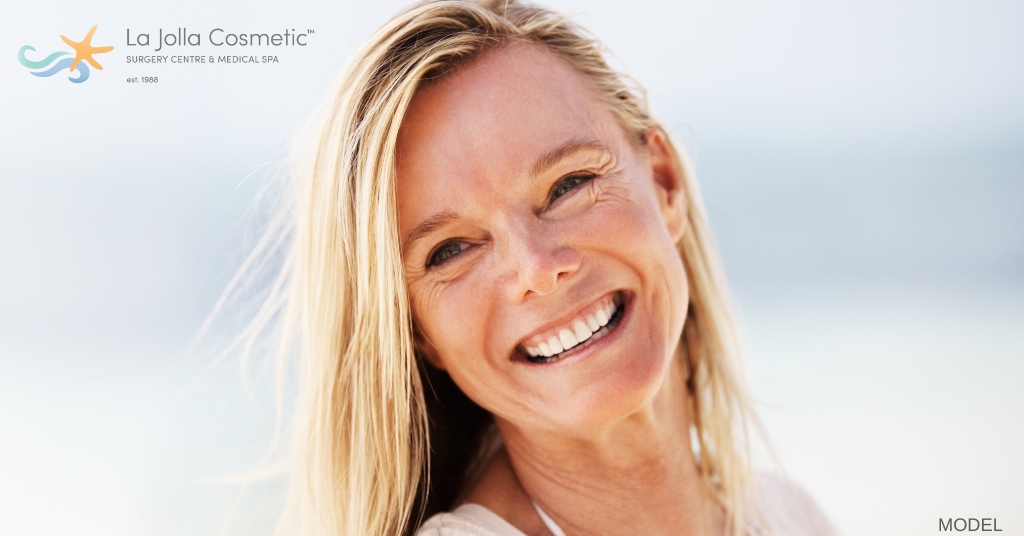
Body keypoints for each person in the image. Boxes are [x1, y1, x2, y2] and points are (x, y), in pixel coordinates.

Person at [255, 1, 838, 534]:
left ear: (663, 181)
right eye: (451, 250)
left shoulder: (789, 515)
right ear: (416, 332)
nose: (535, 268)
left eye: (569, 184)